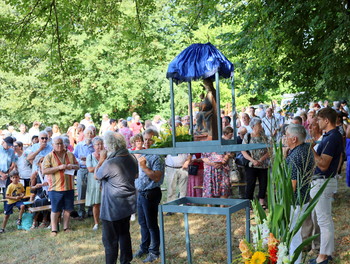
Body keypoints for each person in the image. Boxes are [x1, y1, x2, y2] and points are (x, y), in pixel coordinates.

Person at [95, 131, 138, 264]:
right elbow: (136, 175)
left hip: (112, 207)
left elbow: (97, 175)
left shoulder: (111, 162)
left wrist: (102, 160)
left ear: (112, 146)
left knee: (110, 240)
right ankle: (126, 261)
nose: (105, 148)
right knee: (124, 234)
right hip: (127, 203)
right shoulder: (131, 157)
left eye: (107, 145)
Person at [309, 108, 343, 264]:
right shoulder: (330, 136)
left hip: (323, 181)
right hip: (323, 181)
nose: (317, 122)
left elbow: (323, 164)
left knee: (324, 221)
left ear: (327, 120)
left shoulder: (332, 137)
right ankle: (325, 253)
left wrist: (312, 151)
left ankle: (323, 256)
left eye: (319, 119)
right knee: (324, 219)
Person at [284, 124, 314, 264]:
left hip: (295, 201)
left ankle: (293, 261)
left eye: (286, 136)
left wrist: (284, 200)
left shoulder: (295, 156)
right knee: (296, 233)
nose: (285, 139)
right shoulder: (307, 149)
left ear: (294, 139)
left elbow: (292, 184)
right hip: (305, 197)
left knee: (293, 234)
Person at [133, 129, 164, 263]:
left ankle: (154, 251)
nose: (146, 142)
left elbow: (156, 177)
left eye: (150, 139)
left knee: (151, 224)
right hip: (141, 193)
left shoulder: (157, 156)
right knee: (143, 223)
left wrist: (144, 167)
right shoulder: (143, 154)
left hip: (151, 193)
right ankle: (144, 247)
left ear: (156, 140)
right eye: (145, 139)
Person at [42, 136, 79, 236]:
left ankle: (66, 227)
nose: (59, 145)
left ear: (64, 144)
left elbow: (78, 166)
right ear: (53, 145)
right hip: (55, 188)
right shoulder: (49, 156)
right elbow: (44, 171)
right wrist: (58, 168)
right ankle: (54, 229)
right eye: (57, 144)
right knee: (55, 209)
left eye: (61, 143)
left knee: (68, 209)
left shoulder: (70, 155)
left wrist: (72, 166)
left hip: (69, 186)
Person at [241, 117, 270, 208]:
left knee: (263, 183)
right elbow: (243, 150)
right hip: (251, 164)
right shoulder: (248, 136)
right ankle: (249, 203)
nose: (261, 126)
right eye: (259, 124)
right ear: (253, 126)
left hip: (263, 164)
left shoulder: (264, 137)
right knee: (250, 183)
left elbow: (270, 150)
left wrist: (261, 160)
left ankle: (262, 202)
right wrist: (252, 160)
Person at [74, 128, 95, 219]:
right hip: (81, 169)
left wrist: (88, 159)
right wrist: (80, 161)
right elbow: (74, 157)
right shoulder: (79, 145)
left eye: (91, 133)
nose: (89, 135)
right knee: (81, 191)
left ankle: (90, 211)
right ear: (84, 134)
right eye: (88, 133)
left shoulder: (94, 146)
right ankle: (81, 212)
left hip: (91, 170)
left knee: (91, 190)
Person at [86, 136, 103, 231]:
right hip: (94, 182)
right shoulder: (90, 156)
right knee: (96, 203)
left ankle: (106, 220)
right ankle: (96, 223)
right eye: (97, 144)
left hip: (105, 182)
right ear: (93, 146)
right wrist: (101, 163)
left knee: (105, 202)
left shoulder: (106, 155)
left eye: (101, 144)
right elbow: (90, 169)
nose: (100, 146)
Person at [30, 156, 50, 229]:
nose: (43, 163)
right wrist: (36, 186)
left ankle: (44, 221)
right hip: (39, 194)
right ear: (38, 164)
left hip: (48, 194)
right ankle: (34, 221)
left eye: (45, 161)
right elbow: (32, 188)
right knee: (37, 201)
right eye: (41, 161)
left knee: (44, 201)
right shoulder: (36, 174)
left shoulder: (50, 172)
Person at [0, 137, 16, 201]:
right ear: (3, 142)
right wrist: (1, 174)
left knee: (6, 192)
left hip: (7, 173)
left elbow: (13, 163)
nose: (8, 147)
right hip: (1, 172)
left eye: (10, 145)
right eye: (7, 145)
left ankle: (6, 209)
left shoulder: (11, 151)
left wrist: (7, 173)